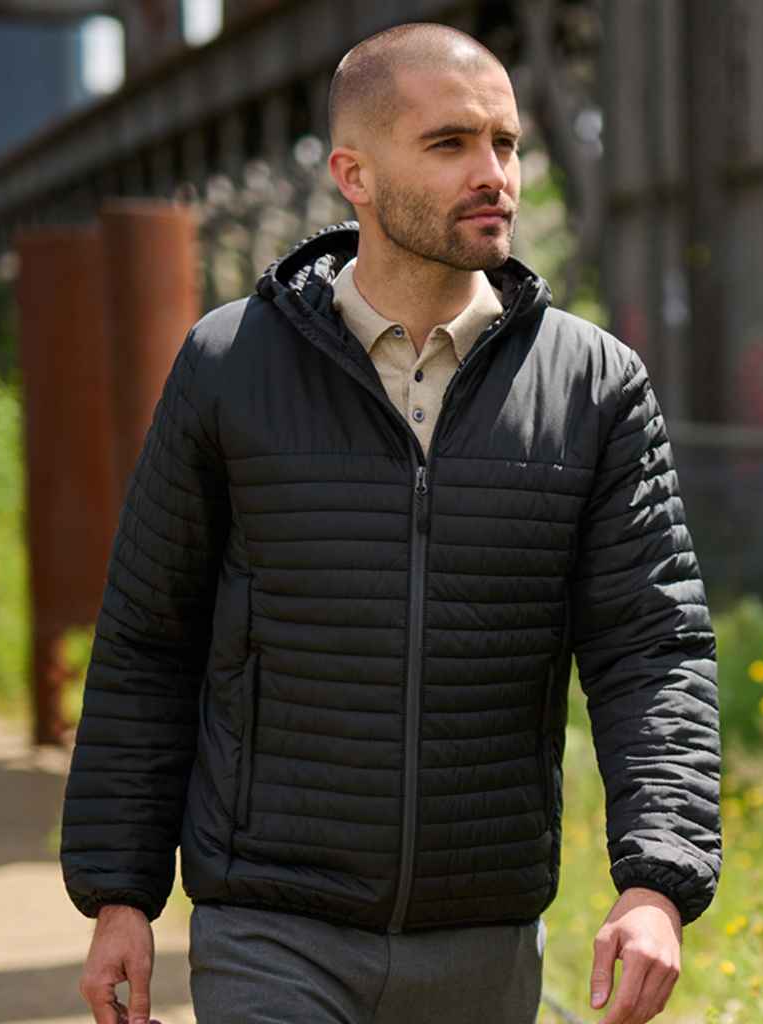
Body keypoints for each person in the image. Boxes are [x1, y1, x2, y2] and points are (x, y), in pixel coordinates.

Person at [61, 21, 722, 1024]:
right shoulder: (230, 365)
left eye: (504, 142)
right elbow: (151, 638)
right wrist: (120, 894)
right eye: (450, 143)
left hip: (484, 938)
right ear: (355, 176)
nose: (493, 172)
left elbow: (653, 647)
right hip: (270, 926)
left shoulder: (593, 385)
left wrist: (657, 880)